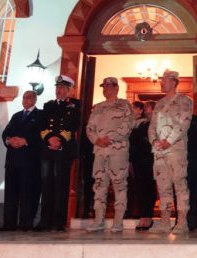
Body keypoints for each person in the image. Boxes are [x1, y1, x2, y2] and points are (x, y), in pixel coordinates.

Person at [85, 77, 134, 233]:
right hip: (100, 151)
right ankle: (98, 220)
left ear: (116, 87)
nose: (105, 89)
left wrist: (110, 138)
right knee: (99, 185)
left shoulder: (124, 105)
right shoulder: (98, 107)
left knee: (119, 185)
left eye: (108, 86)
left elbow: (128, 125)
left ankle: (118, 221)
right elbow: (89, 128)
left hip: (117, 151)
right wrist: (96, 140)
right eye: (103, 86)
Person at [148, 69, 193, 234]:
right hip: (159, 151)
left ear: (174, 82)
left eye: (165, 80)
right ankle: (165, 222)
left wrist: (169, 141)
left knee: (179, 184)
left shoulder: (184, 101)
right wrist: (155, 141)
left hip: (176, 149)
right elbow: (152, 126)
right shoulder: (159, 104)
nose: (161, 82)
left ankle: (182, 222)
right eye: (161, 80)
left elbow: (184, 123)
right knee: (163, 186)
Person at [35, 75, 81, 232]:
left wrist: (59, 140)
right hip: (48, 149)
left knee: (61, 185)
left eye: (62, 87)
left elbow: (74, 125)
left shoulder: (75, 105)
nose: (58, 90)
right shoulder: (48, 105)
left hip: (64, 150)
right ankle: (45, 220)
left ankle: (59, 221)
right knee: (46, 184)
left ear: (68, 90)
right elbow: (41, 125)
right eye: (57, 87)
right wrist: (49, 139)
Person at [0, 90, 43, 232]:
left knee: (28, 193)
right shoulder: (16, 115)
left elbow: (41, 135)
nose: (25, 99)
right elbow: (6, 132)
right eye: (24, 97)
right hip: (12, 160)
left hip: (30, 162)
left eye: (28, 97)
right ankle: (9, 224)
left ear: (34, 100)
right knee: (10, 193)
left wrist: (26, 141)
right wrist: (8, 140)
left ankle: (26, 223)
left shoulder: (40, 115)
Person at [128, 101, 156, 230]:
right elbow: (133, 141)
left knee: (149, 188)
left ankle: (148, 216)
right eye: (145, 108)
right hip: (138, 160)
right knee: (140, 188)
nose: (146, 109)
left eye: (148, 107)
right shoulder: (141, 124)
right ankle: (143, 216)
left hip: (151, 160)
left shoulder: (155, 123)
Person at [186, 112, 197, 231]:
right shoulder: (174, 118)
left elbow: (196, 140)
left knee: (194, 192)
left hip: (193, 162)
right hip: (178, 162)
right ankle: (180, 220)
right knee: (179, 193)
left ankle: (192, 222)